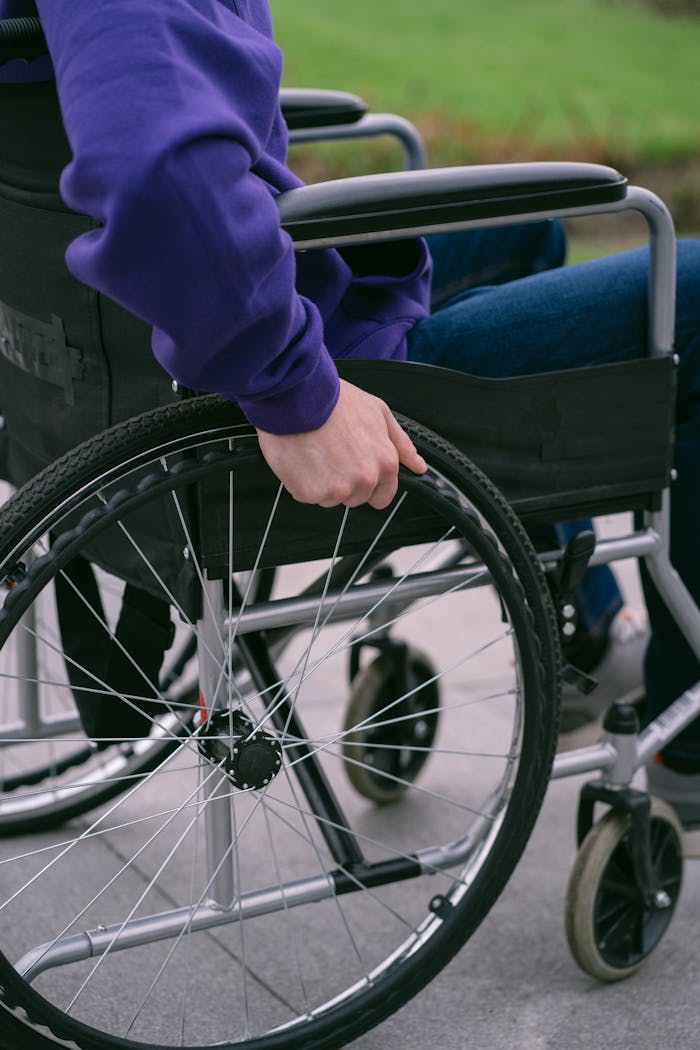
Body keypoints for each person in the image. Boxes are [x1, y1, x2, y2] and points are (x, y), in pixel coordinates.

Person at [1, 0, 698, 819]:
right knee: (683, 285)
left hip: (105, 362)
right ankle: (685, 755)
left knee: (529, 234)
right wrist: (294, 392)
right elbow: (155, 172)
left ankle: (577, 626)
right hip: (267, 378)